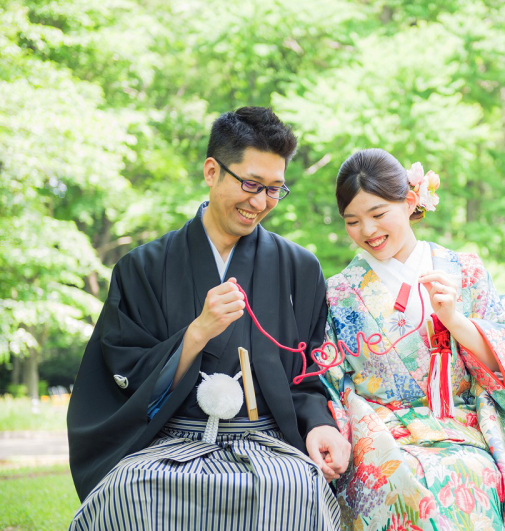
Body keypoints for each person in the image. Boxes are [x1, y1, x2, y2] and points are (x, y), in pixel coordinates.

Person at [67, 107, 350, 530]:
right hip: (169, 443)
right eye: (251, 184)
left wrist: (319, 426)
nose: (260, 202)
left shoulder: (299, 269)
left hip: (266, 443)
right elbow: (121, 376)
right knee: (127, 492)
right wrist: (197, 332)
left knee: (297, 491)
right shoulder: (142, 268)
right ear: (212, 171)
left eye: (274, 189)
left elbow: (307, 378)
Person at [321, 148, 505, 530]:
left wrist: (455, 320)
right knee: (406, 480)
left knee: (470, 473)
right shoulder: (338, 293)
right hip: (382, 437)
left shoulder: (465, 271)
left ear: (408, 202)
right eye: (352, 221)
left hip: (467, 428)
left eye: (377, 214)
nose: (367, 231)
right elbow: (330, 381)